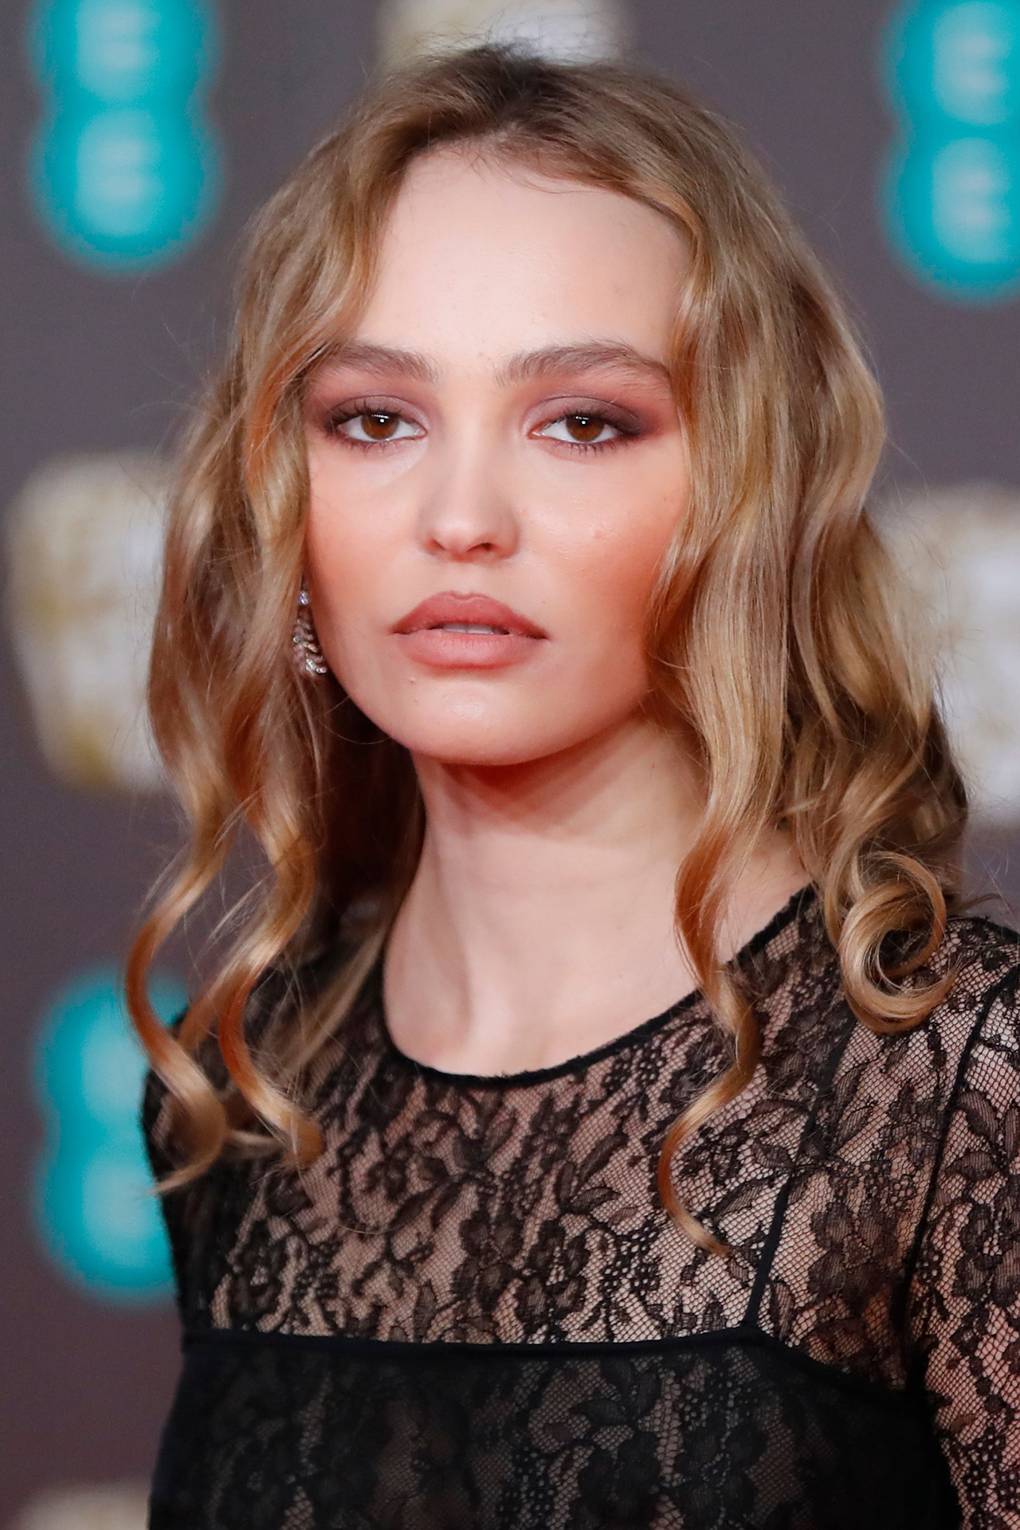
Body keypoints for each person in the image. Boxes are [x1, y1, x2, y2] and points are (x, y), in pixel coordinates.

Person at [129, 38, 1020, 1530]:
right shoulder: (245, 1093)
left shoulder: (955, 1084)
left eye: (584, 423)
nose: (461, 516)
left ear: (748, 492)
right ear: (283, 488)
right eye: (374, 418)